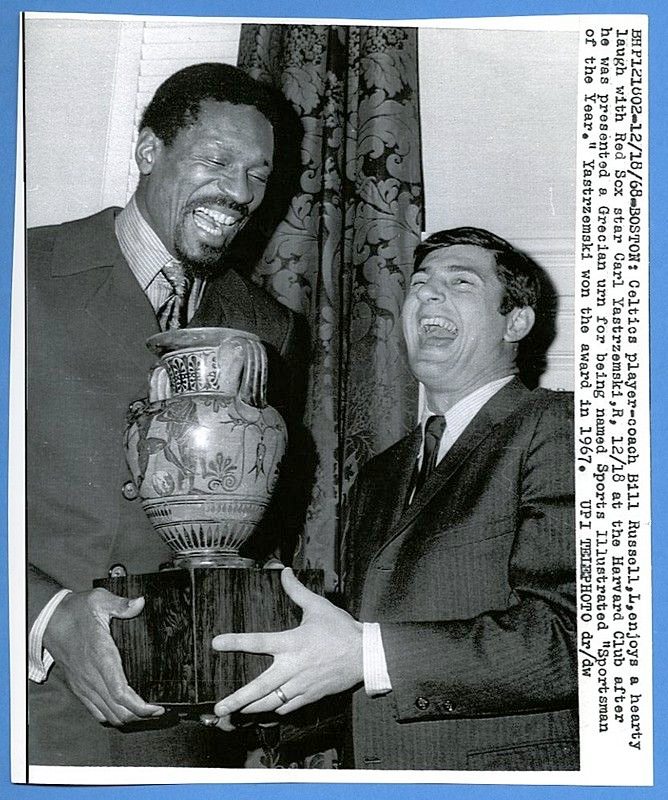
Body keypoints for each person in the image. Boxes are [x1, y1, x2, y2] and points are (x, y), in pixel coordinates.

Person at [211, 227, 578, 771]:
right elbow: (368, 661)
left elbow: (572, 641)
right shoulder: (381, 473)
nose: (428, 294)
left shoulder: (560, 424)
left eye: (461, 282)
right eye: (421, 282)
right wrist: (273, 688)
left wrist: (363, 653)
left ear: (516, 321)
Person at [27, 62, 307, 767]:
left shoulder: (269, 327)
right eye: (218, 160)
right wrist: (45, 617)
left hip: (183, 746)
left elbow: (253, 532)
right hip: (26, 719)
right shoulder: (22, 271)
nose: (240, 194)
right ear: (148, 151)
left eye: (258, 175)